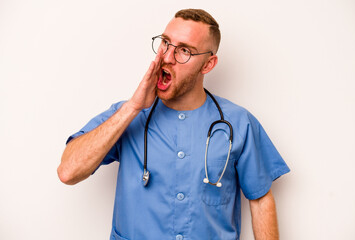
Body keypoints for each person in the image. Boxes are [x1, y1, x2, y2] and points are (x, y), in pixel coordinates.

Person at [58, 9, 290, 240]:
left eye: (184, 51)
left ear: (208, 64)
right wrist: (132, 108)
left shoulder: (238, 123)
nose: (167, 57)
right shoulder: (127, 114)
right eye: (166, 43)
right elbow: (68, 172)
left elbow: (260, 199)